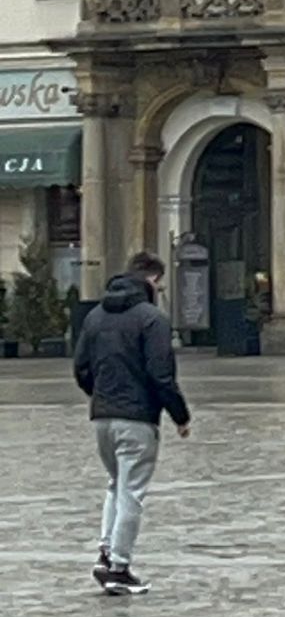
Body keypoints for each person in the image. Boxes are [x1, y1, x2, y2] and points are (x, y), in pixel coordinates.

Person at [73, 250, 191, 595]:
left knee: (115, 484)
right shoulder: (151, 318)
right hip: (137, 418)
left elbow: (81, 367)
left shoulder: (95, 316)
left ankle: (105, 551)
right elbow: (161, 375)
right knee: (132, 492)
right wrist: (180, 416)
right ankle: (119, 567)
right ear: (152, 280)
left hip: (102, 416)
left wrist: (100, 395)